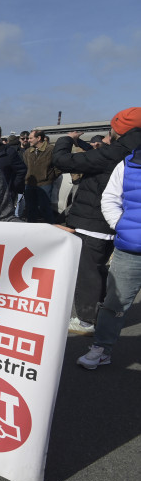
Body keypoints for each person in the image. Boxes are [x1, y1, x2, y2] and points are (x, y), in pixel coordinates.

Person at [53, 108, 141, 337]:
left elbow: (63, 160)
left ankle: (85, 320)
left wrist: (67, 139)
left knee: (87, 271)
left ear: (120, 129)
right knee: (100, 268)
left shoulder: (114, 153)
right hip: (121, 224)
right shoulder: (131, 151)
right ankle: (99, 312)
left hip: (94, 221)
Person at [77, 107, 141, 369]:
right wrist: (122, 226)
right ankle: (101, 348)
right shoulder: (128, 163)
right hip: (130, 249)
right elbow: (110, 199)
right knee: (114, 303)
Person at [23, 129, 60, 223]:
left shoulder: (51, 150)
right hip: (30, 184)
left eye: (31, 138)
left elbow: (58, 166)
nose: (28, 140)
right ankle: (31, 231)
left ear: (39, 138)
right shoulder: (27, 152)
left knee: (45, 209)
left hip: (45, 184)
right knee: (30, 209)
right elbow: (26, 166)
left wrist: (49, 176)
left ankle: (52, 229)